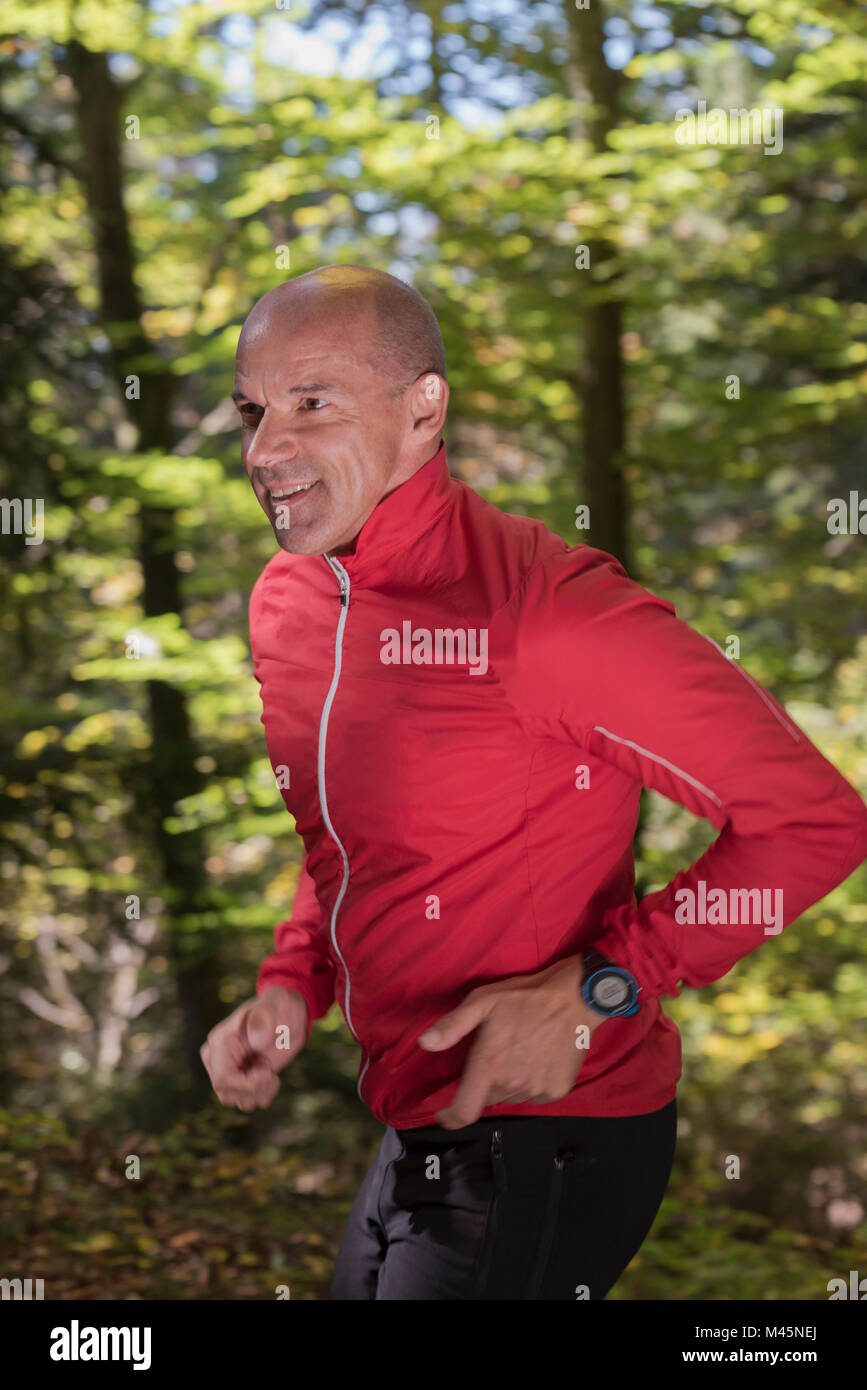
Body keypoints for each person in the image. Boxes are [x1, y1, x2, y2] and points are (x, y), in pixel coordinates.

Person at [200, 264, 867, 1300]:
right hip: (415, 1119)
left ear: (424, 411)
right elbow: (347, 834)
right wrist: (295, 981)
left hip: (558, 1136)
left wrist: (607, 986)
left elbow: (817, 824)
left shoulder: (548, 616)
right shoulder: (289, 601)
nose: (264, 451)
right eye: (252, 411)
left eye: (311, 403)